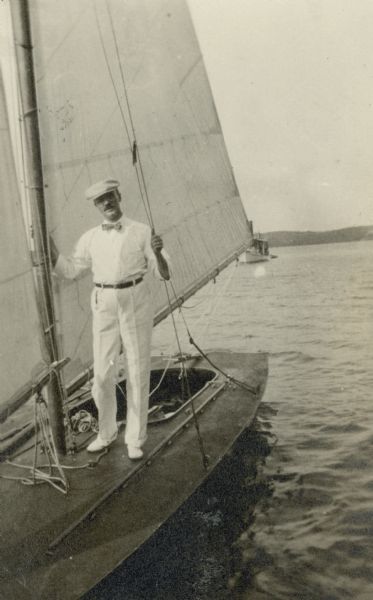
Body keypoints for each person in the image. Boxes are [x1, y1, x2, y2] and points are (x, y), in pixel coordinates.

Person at [50, 179, 170, 460]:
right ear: (96, 205)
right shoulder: (90, 238)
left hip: (135, 300)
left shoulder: (142, 232)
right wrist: (48, 243)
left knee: (137, 371)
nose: (107, 203)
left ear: (119, 196)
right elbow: (68, 271)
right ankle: (106, 433)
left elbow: (164, 274)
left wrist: (159, 252)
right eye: (101, 200)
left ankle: (135, 438)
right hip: (103, 303)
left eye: (111, 197)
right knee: (103, 374)